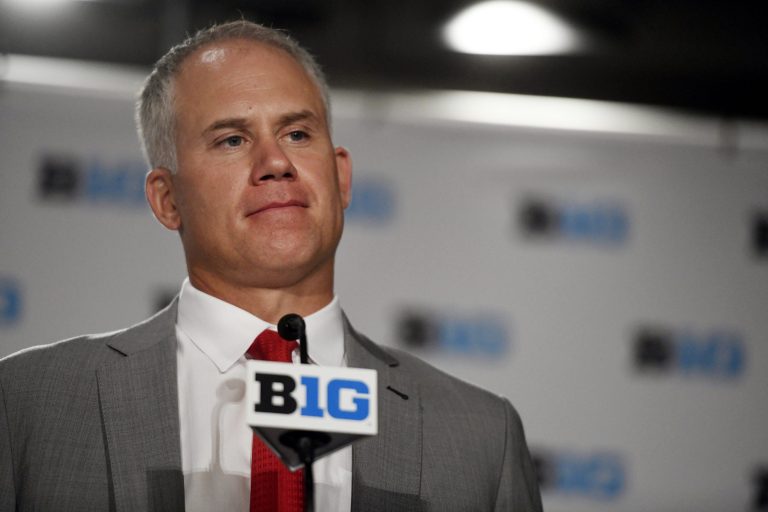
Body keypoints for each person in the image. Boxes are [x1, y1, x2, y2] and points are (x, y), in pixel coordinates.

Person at [0, 20, 542, 512]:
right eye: (233, 139)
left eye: (297, 134)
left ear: (342, 177)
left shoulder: (479, 437)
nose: (276, 163)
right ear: (167, 200)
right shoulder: (25, 403)